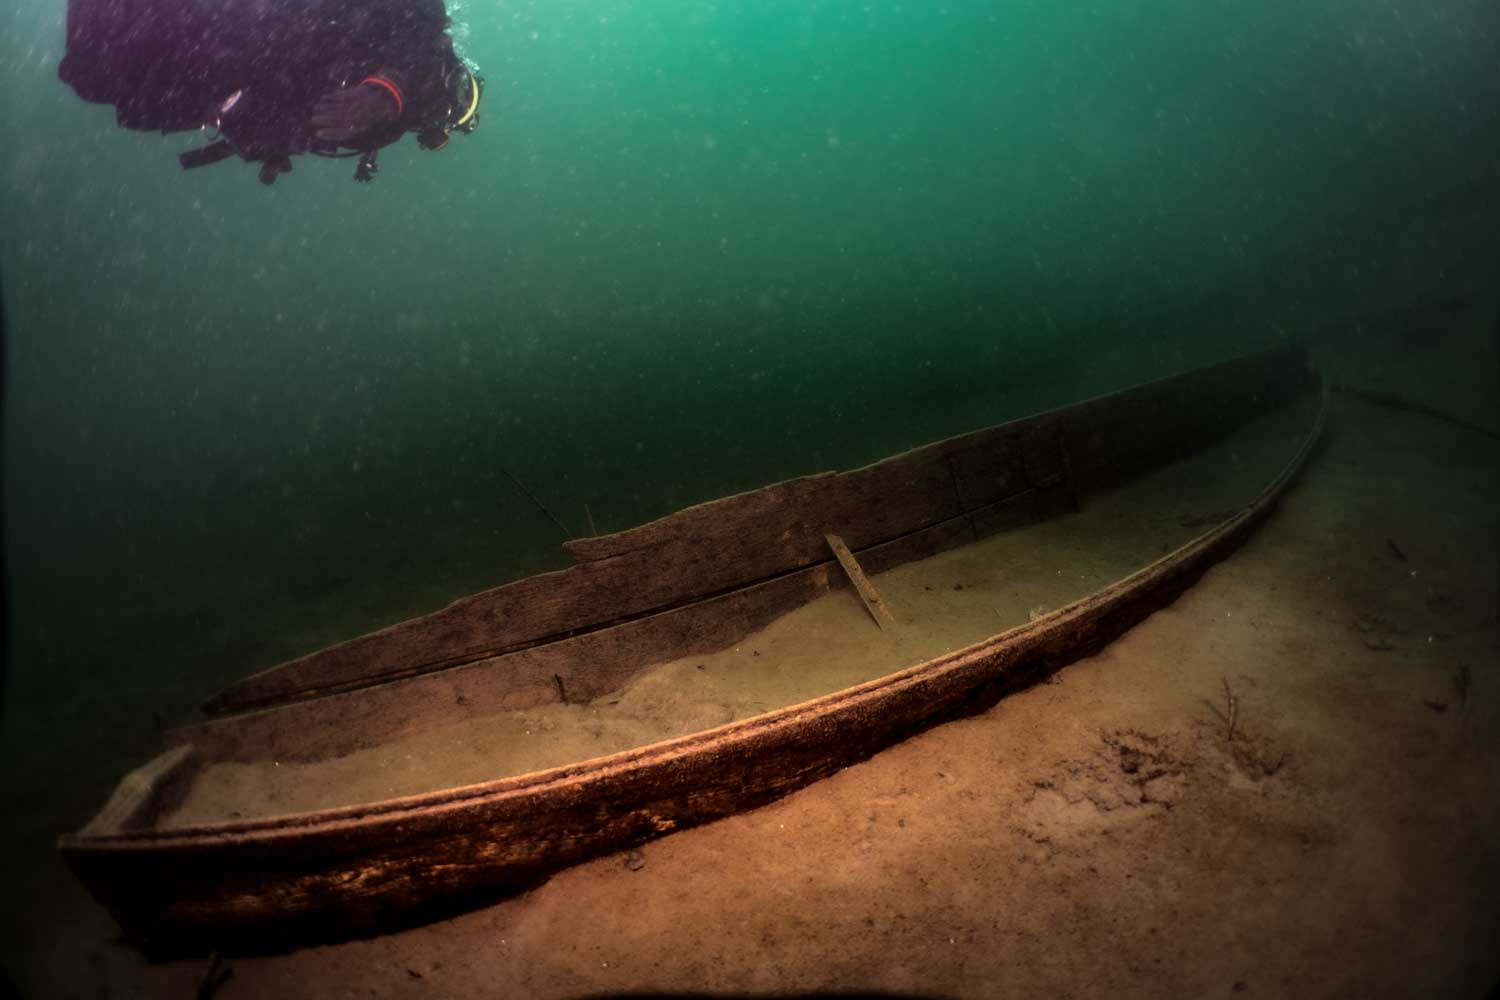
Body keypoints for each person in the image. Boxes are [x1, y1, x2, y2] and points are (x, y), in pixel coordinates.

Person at [58, 0, 483, 184]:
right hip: (259, 34)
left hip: (243, 73)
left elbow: (302, 120)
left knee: (98, 77)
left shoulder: (388, 128)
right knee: (101, 68)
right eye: (460, 92)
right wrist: (390, 90)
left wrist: (261, 130)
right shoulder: (427, 43)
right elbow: (423, 29)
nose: (451, 102)